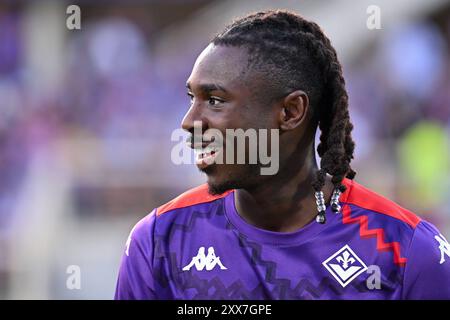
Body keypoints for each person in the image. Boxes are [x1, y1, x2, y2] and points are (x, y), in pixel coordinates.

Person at [115, 10, 450, 299]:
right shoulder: (159, 242)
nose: (189, 122)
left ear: (291, 112)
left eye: (214, 100)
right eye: (192, 97)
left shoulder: (407, 252)